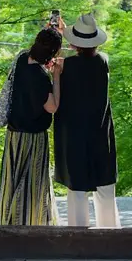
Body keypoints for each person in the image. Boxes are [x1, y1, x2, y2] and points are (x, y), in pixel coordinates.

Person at [54, 13, 119, 228]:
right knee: (105, 187)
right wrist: (67, 34)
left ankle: (78, 234)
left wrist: (59, 34)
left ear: (74, 43)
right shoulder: (103, 61)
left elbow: (61, 67)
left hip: (74, 134)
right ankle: (110, 234)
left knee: (77, 188)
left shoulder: (66, 67)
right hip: (100, 133)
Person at [0, 27, 63, 225]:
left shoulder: (21, 59)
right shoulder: (41, 77)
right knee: (33, 183)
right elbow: (52, 107)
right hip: (33, 138)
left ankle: (10, 221)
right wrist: (56, 77)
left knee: (13, 180)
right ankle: (31, 222)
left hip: (13, 135)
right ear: (53, 53)